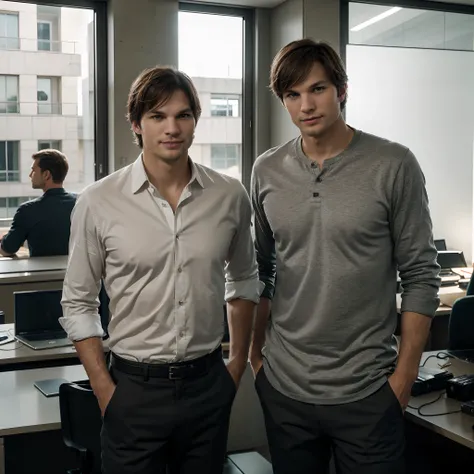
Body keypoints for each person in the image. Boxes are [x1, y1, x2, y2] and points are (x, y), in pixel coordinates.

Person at [250, 38, 441, 474]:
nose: (306, 105)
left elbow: (420, 275)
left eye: (317, 89)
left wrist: (404, 378)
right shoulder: (266, 169)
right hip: (285, 388)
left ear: (342, 89)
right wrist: (255, 361)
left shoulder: (393, 164)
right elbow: (257, 270)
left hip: (369, 391)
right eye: (292, 95)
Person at [60, 66, 261, 474]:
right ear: (137, 123)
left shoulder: (229, 195)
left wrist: (236, 365)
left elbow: (242, 280)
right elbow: (78, 303)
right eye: (157, 116)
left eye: (183, 115)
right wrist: (104, 389)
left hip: (207, 385)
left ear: (195, 122)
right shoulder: (98, 201)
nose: (172, 127)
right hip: (133, 389)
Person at [0, 149, 76, 257]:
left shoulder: (28, 210)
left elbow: (7, 250)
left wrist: (5, 239)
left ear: (46, 174)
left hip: (41, 273)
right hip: (75, 272)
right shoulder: (80, 202)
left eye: (33, 170)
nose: (30, 175)